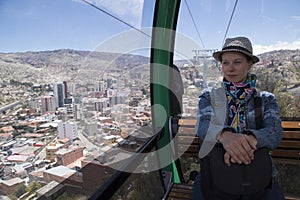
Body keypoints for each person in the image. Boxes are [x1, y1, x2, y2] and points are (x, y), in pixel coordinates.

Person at [192, 36, 285, 200]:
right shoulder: (209, 97)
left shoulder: (266, 99)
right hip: (216, 172)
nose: (230, 68)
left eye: (237, 62)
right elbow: (202, 125)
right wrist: (226, 136)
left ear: (250, 64)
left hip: (257, 173)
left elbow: (274, 132)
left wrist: (241, 144)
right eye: (225, 63)